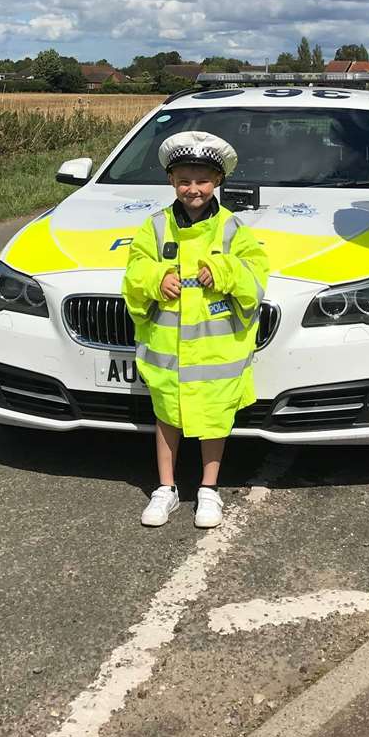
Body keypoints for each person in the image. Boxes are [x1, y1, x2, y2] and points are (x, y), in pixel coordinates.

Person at [122, 131, 269, 529]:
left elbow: (256, 278)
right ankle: (165, 489)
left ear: (217, 181)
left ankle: (209, 488)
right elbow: (134, 271)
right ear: (171, 181)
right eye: (184, 180)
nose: (193, 188)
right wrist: (155, 278)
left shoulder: (232, 228)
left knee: (215, 418)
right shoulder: (153, 227)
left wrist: (224, 270)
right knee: (166, 416)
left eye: (202, 180)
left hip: (215, 353)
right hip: (167, 349)